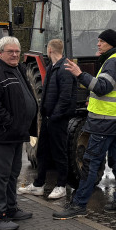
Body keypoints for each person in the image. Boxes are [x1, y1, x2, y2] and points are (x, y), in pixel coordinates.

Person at [54, 29, 116, 219]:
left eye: (101, 41)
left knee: (90, 162)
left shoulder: (113, 62)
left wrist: (80, 74)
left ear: (110, 43)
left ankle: (79, 204)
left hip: (105, 123)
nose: (98, 44)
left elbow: (102, 87)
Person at [0, 36, 38, 230]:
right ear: (0, 53)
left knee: (12, 175)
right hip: (1, 136)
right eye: (10, 51)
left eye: (17, 51)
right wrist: (8, 122)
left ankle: (11, 208)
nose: (15, 55)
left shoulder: (17, 70)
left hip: (16, 135)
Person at [19, 38, 75, 200]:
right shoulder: (52, 67)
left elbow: (65, 97)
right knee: (42, 152)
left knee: (59, 152)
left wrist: (55, 116)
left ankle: (61, 186)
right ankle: (38, 185)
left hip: (57, 119)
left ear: (49, 50)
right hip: (47, 118)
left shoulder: (64, 69)